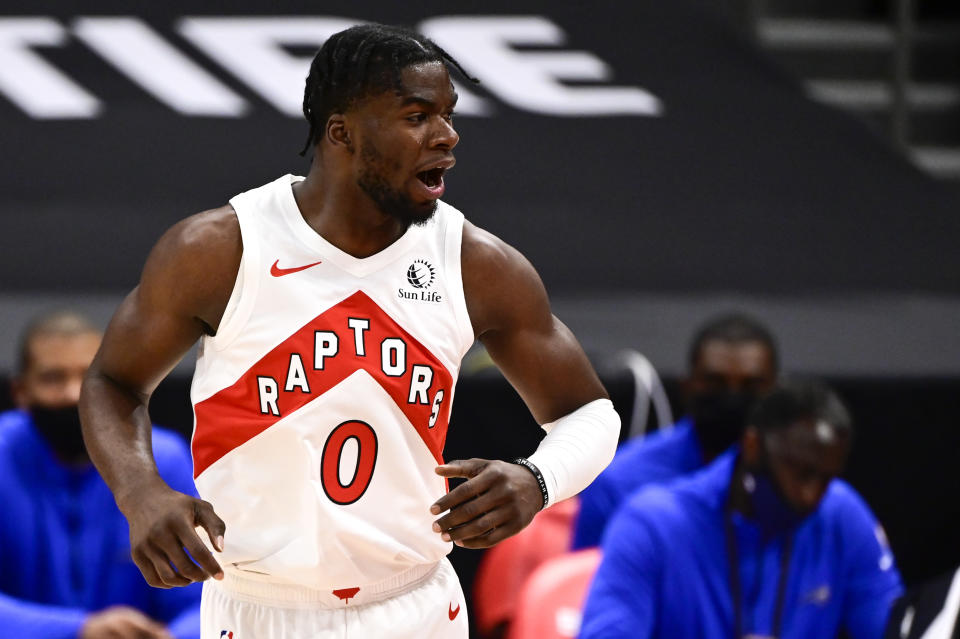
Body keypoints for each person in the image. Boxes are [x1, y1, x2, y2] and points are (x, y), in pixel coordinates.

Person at [78, 23, 621, 639]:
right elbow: (112, 382)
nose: (447, 136)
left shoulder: (474, 262)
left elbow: (591, 413)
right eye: (418, 116)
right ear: (342, 133)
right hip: (259, 608)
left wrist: (538, 478)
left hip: (415, 605)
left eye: (448, 114)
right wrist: (139, 490)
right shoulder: (222, 248)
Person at [578, 379, 903, 639]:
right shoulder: (651, 525)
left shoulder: (841, 513)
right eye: (800, 472)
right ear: (752, 447)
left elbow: (892, 627)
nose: (811, 496)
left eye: (826, 479)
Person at [0, 310, 200, 639]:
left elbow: (205, 595)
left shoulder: (163, 460)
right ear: (21, 392)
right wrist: (78, 631)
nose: (74, 393)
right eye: (53, 378)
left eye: (88, 377)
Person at [573, 313, 778, 549]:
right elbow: (582, 578)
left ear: (777, 392)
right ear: (687, 388)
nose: (732, 398)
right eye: (715, 383)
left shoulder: (800, 482)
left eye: (750, 386)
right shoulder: (617, 482)